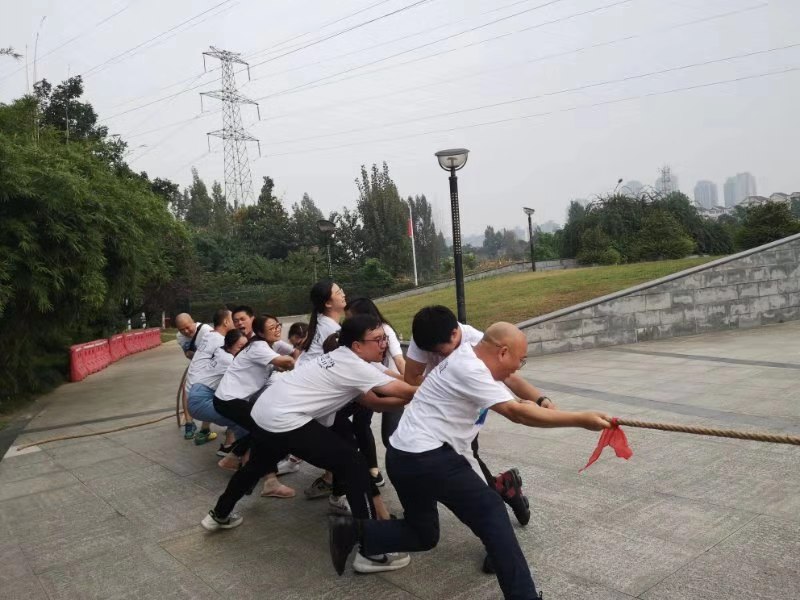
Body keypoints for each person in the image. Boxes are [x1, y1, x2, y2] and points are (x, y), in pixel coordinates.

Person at [330, 322, 611, 597]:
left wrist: (537, 401)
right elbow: (518, 414)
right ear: (502, 352)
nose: (517, 369)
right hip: (427, 455)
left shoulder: (470, 359)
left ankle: (354, 531)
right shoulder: (471, 368)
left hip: (405, 457)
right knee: (493, 513)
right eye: (520, 361)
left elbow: (506, 411)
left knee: (422, 534)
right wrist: (580, 418)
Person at [202, 315, 418, 573]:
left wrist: (416, 388)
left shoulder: (347, 357)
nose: (384, 344)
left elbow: (392, 391)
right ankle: (372, 551)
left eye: (385, 338)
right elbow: (405, 391)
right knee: (353, 463)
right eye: (378, 339)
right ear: (358, 345)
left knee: (255, 466)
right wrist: (438, 389)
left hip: (266, 412)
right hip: (286, 419)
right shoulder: (354, 366)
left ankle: (219, 514)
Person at [404, 306, 554, 536]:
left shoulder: (477, 342)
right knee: (468, 472)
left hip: (468, 414)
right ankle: (505, 489)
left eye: (444, 352)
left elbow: (510, 377)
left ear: (455, 334)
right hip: (439, 418)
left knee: (470, 475)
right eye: (434, 353)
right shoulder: (424, 335)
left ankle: (498, 532)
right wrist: (443, 389)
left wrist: (540, 398)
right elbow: (411, 377)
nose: (441, 356)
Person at [213, 314, 296, 498]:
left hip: (231, 399)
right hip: (228, 400)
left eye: (278, 326)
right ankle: (243, 465)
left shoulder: (266, 346)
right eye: (272, 327)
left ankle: (240, 463)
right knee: (266, 429)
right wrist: (297, 364)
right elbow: (287, 361)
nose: (277, 330)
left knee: (263, 432)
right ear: (259, 332)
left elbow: (278, 364)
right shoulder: (258, 347)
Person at [343, 297, 406, 487]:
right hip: (371, 382)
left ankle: (408, 471)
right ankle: (373, 470)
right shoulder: (356, 336)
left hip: (390, 384)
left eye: (351, 317)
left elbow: (399, 360)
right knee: (360, 423)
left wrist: (411, 385)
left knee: (391, 436)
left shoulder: (384, 331)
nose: (349, 322)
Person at [296, 281, 347, 499]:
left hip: (306, 386)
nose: (343, 294)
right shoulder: (332, 329)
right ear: (328, 303)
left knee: (340, 432)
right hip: (313, 391)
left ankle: (331, 477)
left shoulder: (321, 322)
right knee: (336, 438)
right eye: (338, 292)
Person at [187, 328, 249, 446]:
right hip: (201, 401)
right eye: (240, 348)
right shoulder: (229, 360)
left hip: (198, 395)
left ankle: (231, 447)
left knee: (236, 413)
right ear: (229, 346)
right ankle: (236, 453)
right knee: (240, 421)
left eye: (246, 347)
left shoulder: (221, 351)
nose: (244, 351)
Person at [185, 309, 238, 446]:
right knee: (239, 412)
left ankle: (205, 429)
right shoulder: (221, 341)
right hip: (200, 393)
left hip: (193, 389)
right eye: (234, 320)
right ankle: (229, 446)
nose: (237, 322)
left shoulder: (209, 336)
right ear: (226, 322)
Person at [175, 312, 215, 441]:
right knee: (186, 390)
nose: (186, 331)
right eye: (182, 330)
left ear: (193, 321)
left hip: (211, 368)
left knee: (208, 393)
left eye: (188, 327)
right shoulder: (180, 337)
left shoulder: (207, 331)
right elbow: (187, 353)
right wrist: (191, 354)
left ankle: (205, 428)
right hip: (196, 367)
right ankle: (189, 423)